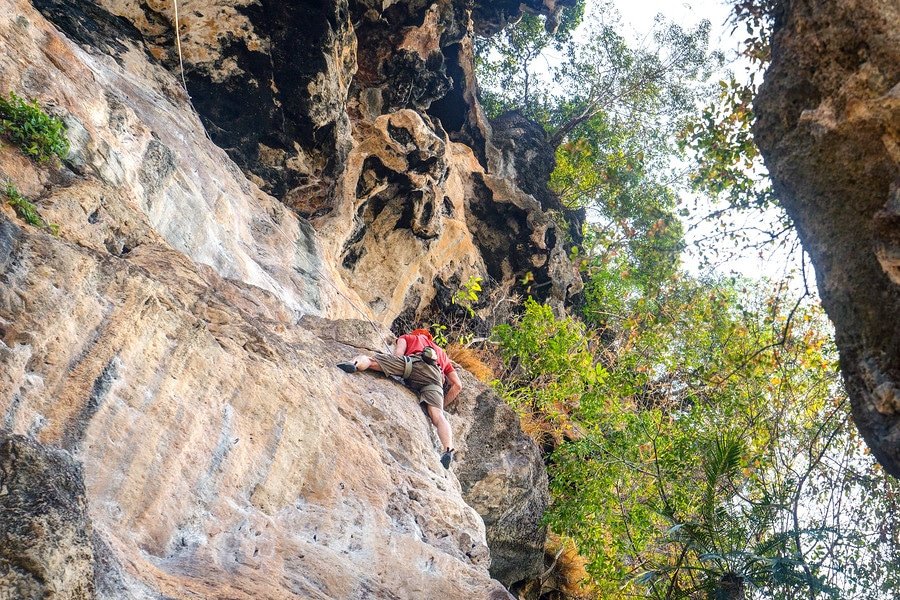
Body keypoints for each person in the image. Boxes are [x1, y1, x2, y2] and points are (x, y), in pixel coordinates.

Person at [337, 328, 463, 469]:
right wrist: (441, 404)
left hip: (411, 364)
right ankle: (447, 450)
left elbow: (398, 355)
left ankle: (354, 365)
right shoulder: (442, 354)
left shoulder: (409, 337)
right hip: (434, 378)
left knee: (370, 361)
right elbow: (457, 385)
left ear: (416, 333)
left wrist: (391, 363)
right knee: (438, 417)